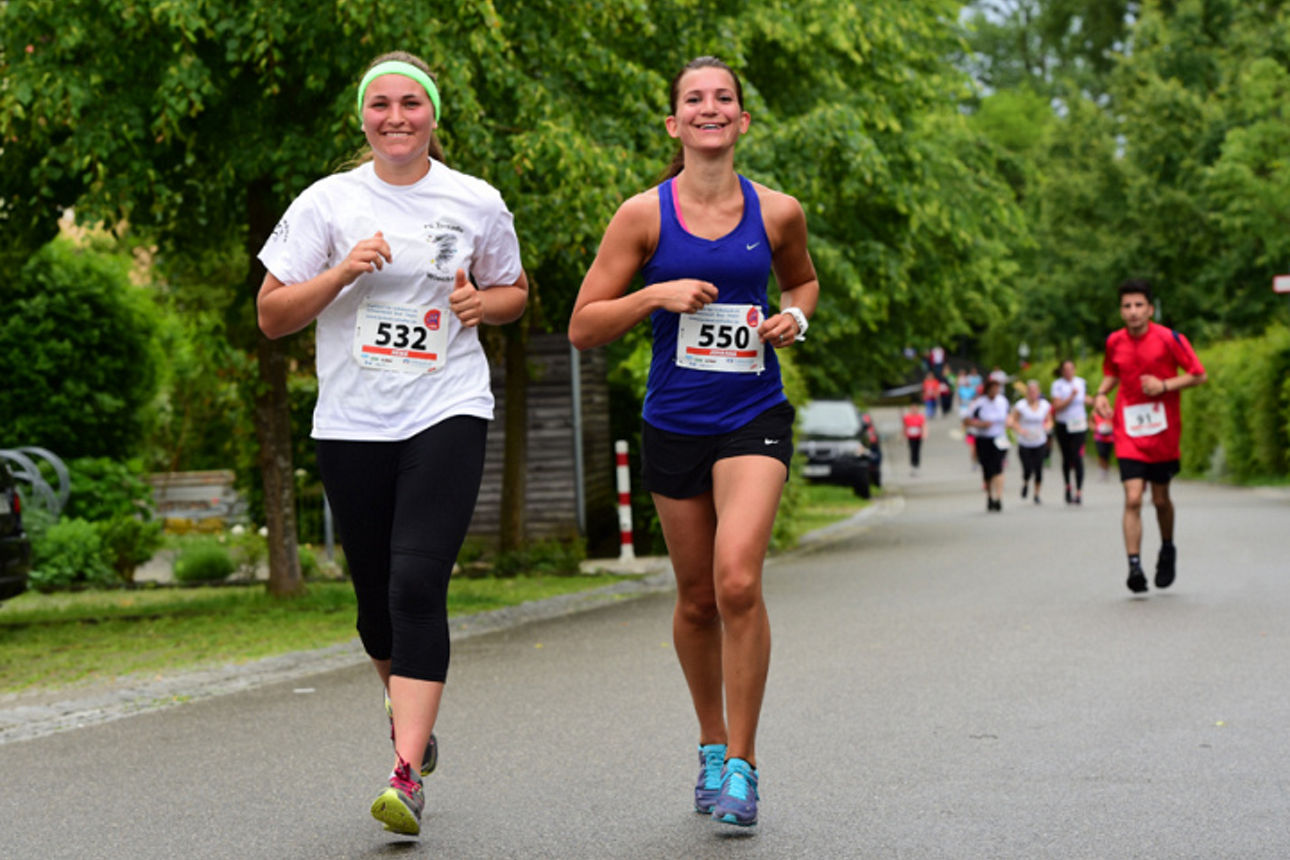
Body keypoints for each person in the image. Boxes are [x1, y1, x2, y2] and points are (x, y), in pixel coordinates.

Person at [256, 51, 529, 836]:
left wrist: (486, 301)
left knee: (416, 585)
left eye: (412, 103)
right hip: (352, 421)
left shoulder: (475, 200)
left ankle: (405, 775)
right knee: (375, 603)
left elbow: (514, 291)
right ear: (363, 117)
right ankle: (408, 712)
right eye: (382, 105)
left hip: (447, 406)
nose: (397, 117)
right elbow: (273, 315)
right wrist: (342, 272)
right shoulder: (328, 202)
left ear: (434, 117)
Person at [568, 56, 818, 829]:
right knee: (698, 597)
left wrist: (794, 319)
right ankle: (710, 742)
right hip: (674, 422)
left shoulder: (777, 212)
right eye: (693, 100)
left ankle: (743, 765)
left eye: (725, 99)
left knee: (738, 580)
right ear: (674, 124)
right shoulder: (643, 216)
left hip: (753, 415)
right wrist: (653, 294)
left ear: (743, 121)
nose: (710, 109)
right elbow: (583, 326)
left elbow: (802, 283)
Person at [1092, 278, 1206, 594]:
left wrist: (1165, 385)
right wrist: (1101, 393)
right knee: (1132, 497)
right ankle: (1134, 566)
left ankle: (1167, 548)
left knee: (1159, 499)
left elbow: (1199, 374)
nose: (1132, 312)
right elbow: (1112, 372)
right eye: (1127, 306)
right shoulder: (1114, 341)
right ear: (1121, 310)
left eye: (1138, 305)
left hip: (1163, 432)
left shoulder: (1170, 339)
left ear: (1150, 309)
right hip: (1127, 429)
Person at [963, 371, 1011, 512]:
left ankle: (999, 497)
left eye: (997, 389)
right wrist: (980, 425)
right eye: (992, 389)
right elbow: (966, 420)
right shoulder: (979, 403)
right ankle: (989, 495)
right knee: (987, 469)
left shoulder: (1003, 401)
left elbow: (1008, 417)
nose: (995, 391)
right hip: (984, 439)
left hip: (999, 438)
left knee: (999, 468)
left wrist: (1009, 425)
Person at [1007, 380, 1054, 504]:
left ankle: (1037, 494)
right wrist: (1020, 430)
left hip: (1039, 441)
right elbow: (1013, 420)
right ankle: (1026, 482)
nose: (1033, 394)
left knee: (1038, 469)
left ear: (1038, 392)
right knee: (1027, 469)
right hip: (1025, 442)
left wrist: (1048, 426)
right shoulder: (1021, 405)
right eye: (1030, 391)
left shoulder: (1044, 405)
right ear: (1027, 392)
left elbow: (1049, 420)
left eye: (1035, 391)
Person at [1050, 359, 1089, 504]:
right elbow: (1057, 406)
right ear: (1061, 371)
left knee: (1077, 456)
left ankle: (1079, 491)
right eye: (1065, 369)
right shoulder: (1057, 385)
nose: (1068, 371)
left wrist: (1098, 401)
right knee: (1067, 458)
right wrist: (1071, 397)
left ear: (1074, 369)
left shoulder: (1081, 382)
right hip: (1063, 424)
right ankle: (1068, 486)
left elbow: (1085, 399)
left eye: (1071, 368)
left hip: (1079, 424)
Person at [902, 404, 926, 475]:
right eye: (912, 409)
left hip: (918, 436)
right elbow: (905, 426)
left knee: (917, 450)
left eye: (915, 409)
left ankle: (916, 464)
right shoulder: (907, 417)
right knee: (912, 450)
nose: (914, 410)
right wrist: (903, 435)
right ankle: (912, 465)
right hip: (911, 437)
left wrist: (924, 434)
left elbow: (923, 426)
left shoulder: (920, 417)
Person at [1092, 411, 1115, 480]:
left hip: (1109, 438)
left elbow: (1116, 423)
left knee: (1107, 456)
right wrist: (1096, 428)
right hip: (1099, 438)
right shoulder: (1095, 413)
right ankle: (1101, 472)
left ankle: (1106, 471)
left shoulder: (1111, 413)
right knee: (1101, 454)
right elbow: (1090, 422)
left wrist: (1111, 426)